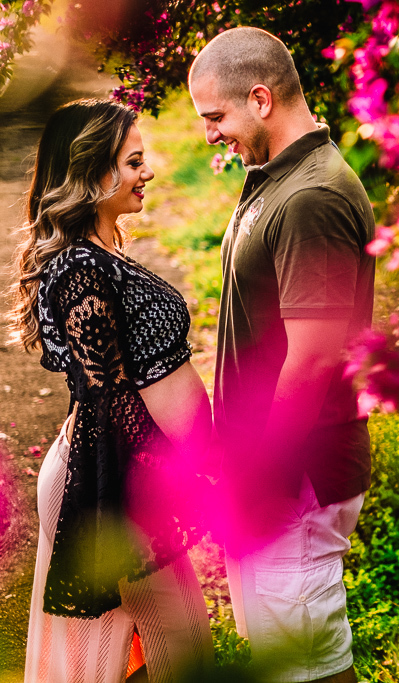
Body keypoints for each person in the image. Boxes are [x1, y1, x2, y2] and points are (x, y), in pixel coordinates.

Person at [188, 27, 376, 683]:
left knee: (308, 670)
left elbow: (314, 360)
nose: (210, 134)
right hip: (273, 473)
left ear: (261, 99)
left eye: (215, 117)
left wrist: (261, 481)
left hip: (293, 477)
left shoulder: (310, 197)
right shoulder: (281, 177)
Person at [7, 99, 215, 681]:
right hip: (113, 481)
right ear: (94, 175)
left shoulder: (98, 257)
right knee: (181, 649)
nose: (146, 173)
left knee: (152, 651)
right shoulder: (79, 270)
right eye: (133, 162)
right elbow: (111, 399)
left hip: (123, 472)